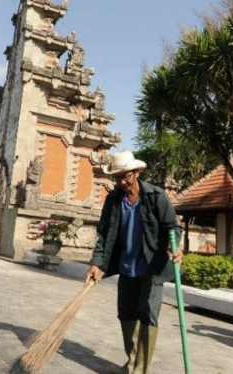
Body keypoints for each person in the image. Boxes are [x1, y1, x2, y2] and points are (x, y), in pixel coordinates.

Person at [85, 151, 183, 374]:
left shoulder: (156, 196)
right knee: (126, 314)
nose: (122, 181)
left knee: (148, 314)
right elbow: (104, 234)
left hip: (152, 267)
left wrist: (174, 244)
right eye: (118, 177)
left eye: (126, 176)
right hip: (126, 266)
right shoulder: (113, 200)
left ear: (136, 172)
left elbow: (173, 227)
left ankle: (139, 370)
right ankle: (133, 363)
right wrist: (96, 263)